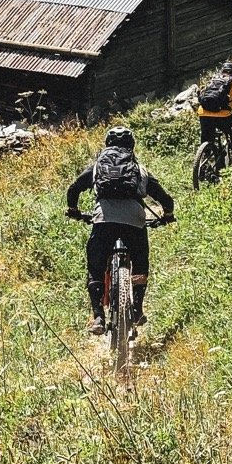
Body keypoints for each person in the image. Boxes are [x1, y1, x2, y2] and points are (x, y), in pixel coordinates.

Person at [66, 125, 174, 334]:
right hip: (134, 220)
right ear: (131, 146)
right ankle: (137, 310)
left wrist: (73, 210)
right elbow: (164, 198)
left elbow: (74, 188)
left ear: (107, 145)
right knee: (140, 263)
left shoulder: (97, 166)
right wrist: (167, 215)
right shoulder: (139, 169)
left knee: (95, 266)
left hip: (103, 220)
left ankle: (98, 317)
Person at [195, 60, 232, 163]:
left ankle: (203, 162)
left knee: (207, 138)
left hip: (203, 113)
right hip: (223, 115)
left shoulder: (212, 81)